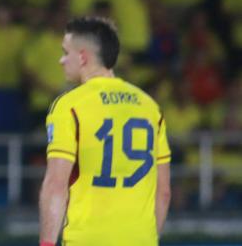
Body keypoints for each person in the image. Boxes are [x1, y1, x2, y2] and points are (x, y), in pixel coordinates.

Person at [38, 16, 171, 246]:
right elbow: (164, 192)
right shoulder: (150, 107)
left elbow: (55, 186)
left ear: (82, 56)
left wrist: (47, 243)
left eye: (65, 52)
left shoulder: (70, 106)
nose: (61, 60)